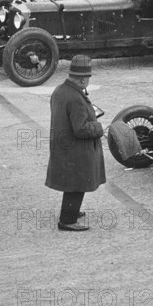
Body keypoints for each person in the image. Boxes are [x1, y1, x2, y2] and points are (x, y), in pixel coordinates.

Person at [45, 55, 106, 232]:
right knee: (77, 185)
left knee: (72, 184)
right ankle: (67, 220)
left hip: (63, 146)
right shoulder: (76, 98)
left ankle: (71, 212)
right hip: (76, 150)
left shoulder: (59, 90)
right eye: (88, 78)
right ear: (82, 78)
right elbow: (81, 129)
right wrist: (98, 127)